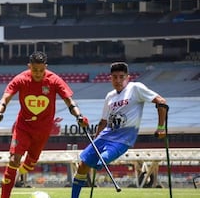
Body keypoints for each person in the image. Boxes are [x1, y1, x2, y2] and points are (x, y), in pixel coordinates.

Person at [0, 51, 89, 198]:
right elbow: (5, 99)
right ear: (29, 66)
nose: (38, 73)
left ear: (46, 67)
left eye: (41, 70)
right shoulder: (21, 79)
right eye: (34, 70)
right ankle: (5, 194)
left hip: (43, 130)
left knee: (29, 164)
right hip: (23, 127)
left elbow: (70, 102)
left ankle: (20, 172)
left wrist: (79, 116)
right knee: (14, 160)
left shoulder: (54, 80)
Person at [70, 62, 168, 198]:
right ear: (110, 78)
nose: (118, 80)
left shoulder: (136, 88)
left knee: (101, 161)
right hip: (104, 136)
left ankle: (99, 162)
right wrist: (95, 140)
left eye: (121, 77)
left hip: (123, 139)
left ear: (128, 77)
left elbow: (161, 102)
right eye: (114, 77)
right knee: (82, 165)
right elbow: (103, 121)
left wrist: (161, 127)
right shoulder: (110, 96)